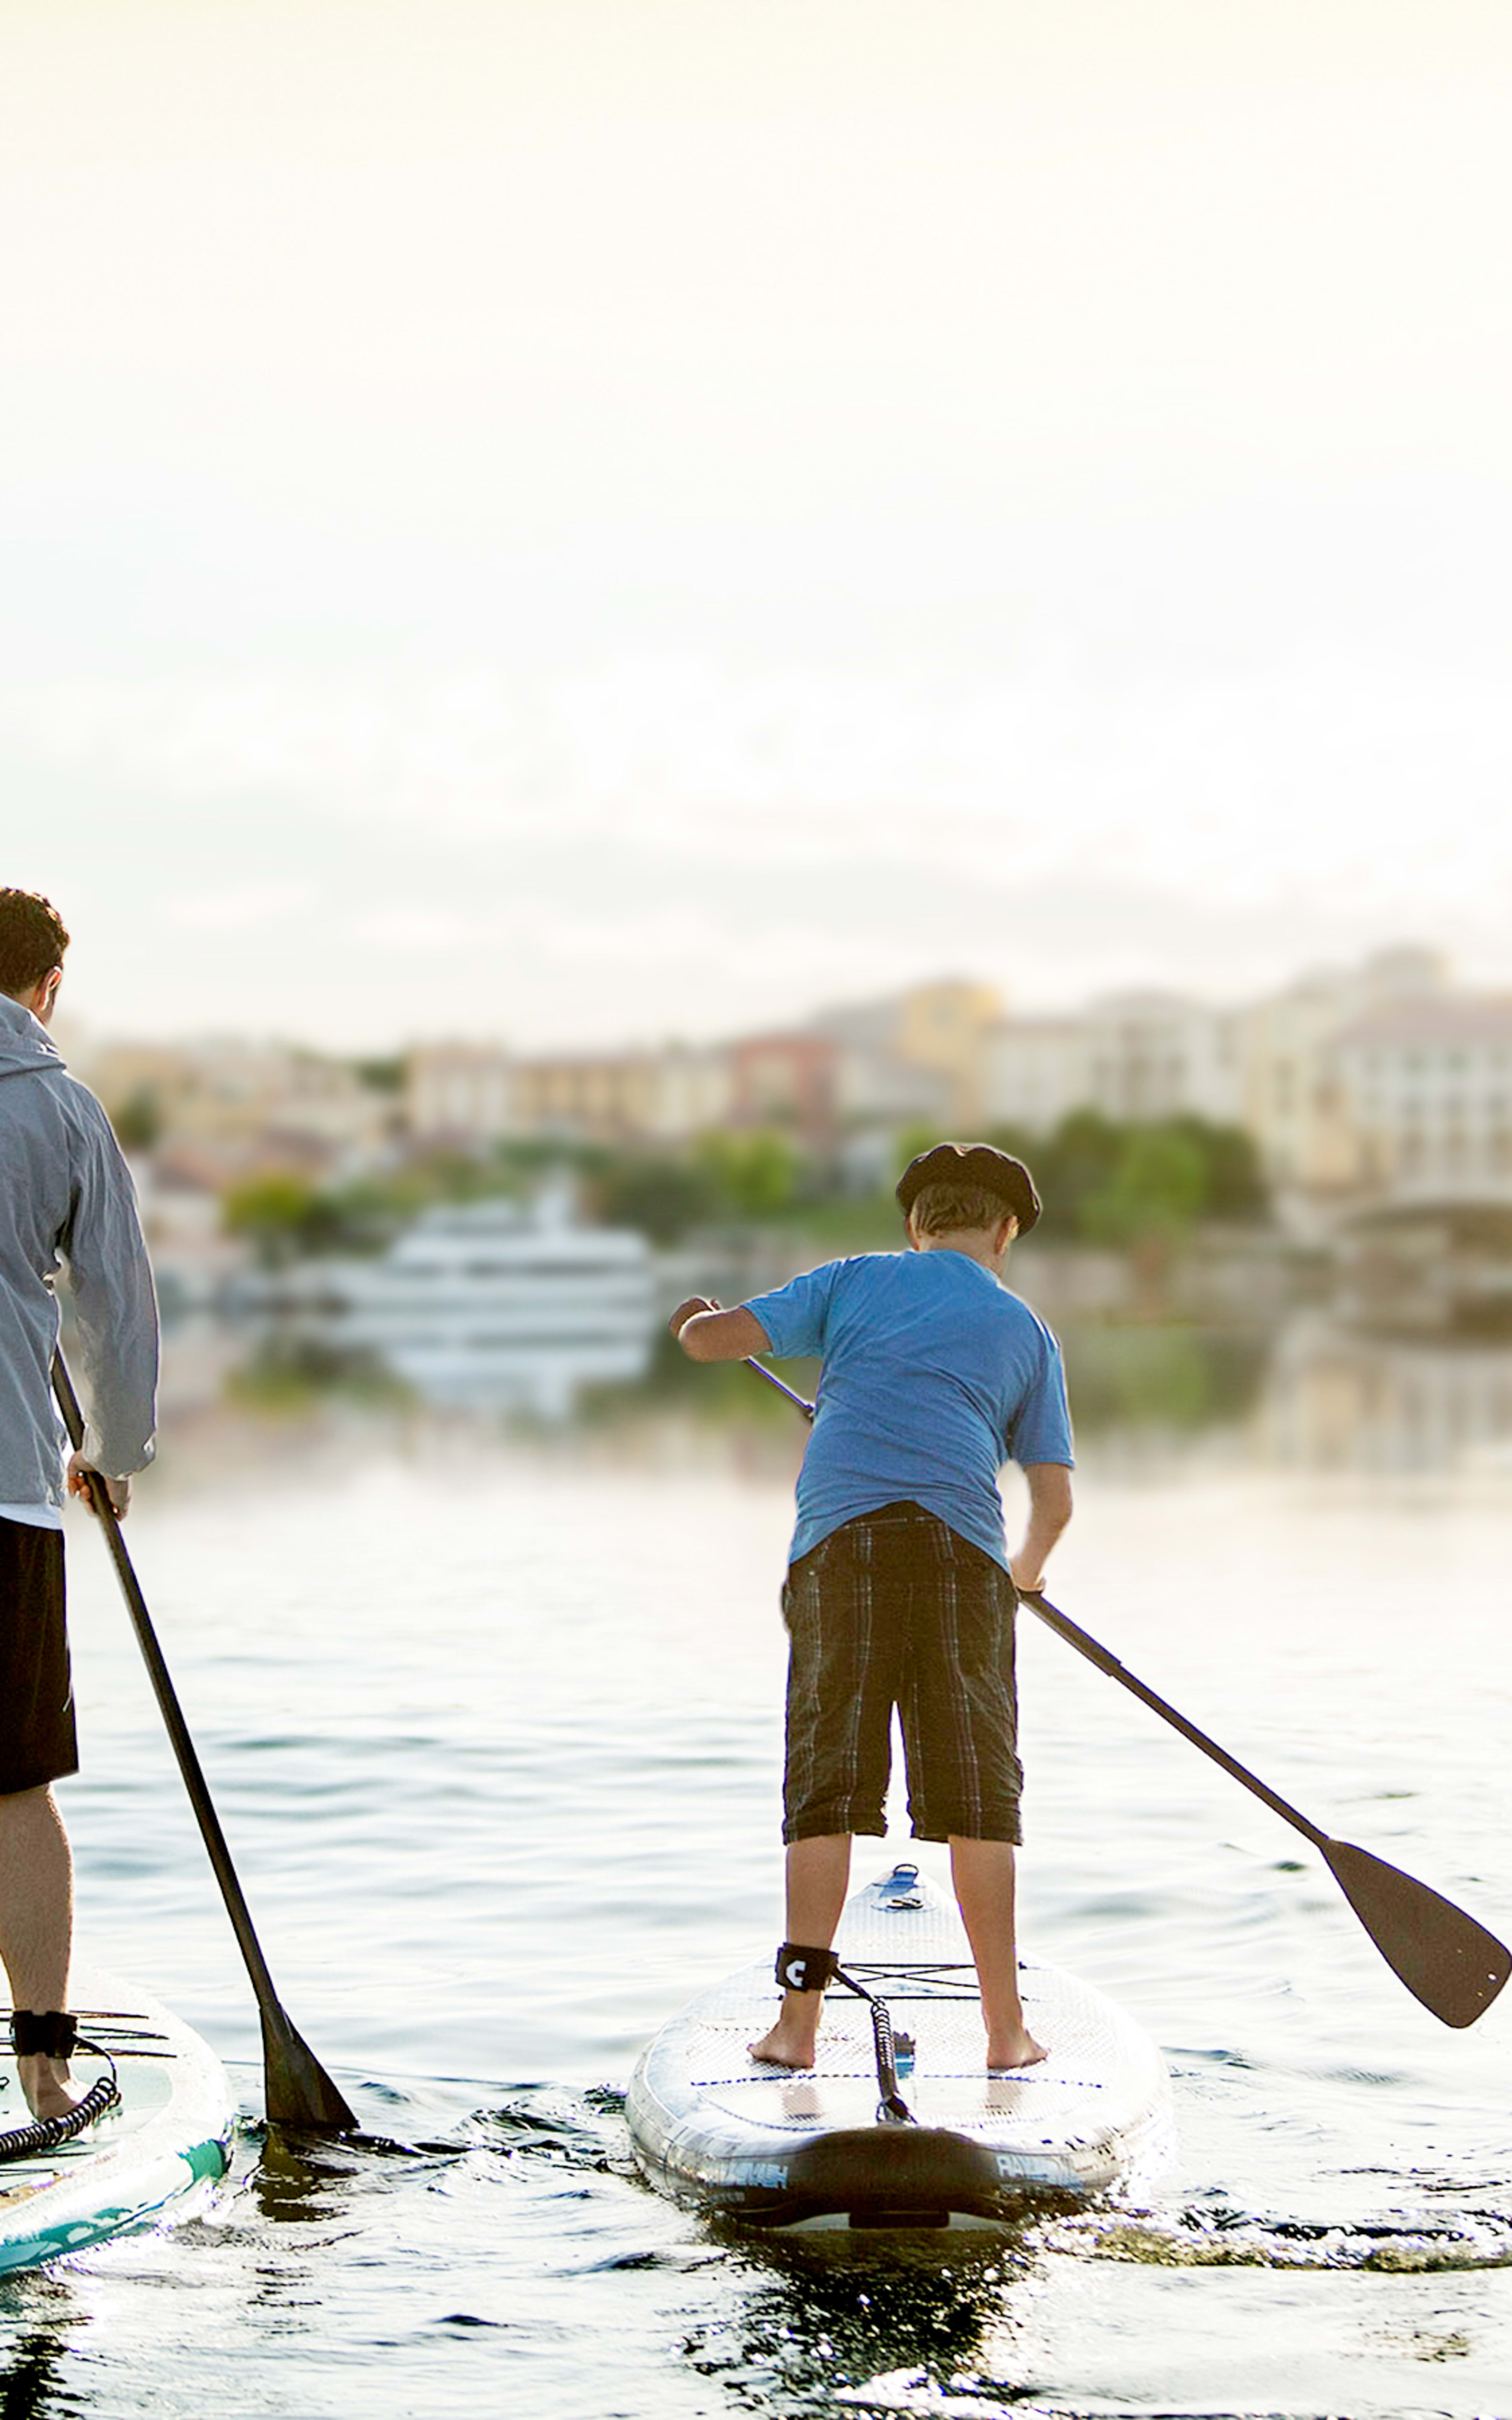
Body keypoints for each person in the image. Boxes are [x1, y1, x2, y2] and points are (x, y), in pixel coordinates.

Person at [669, 1140, 1074, 2073]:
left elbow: (709, 1342)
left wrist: (697, 1318)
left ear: (916, 1224)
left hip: (841, 1554)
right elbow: (1053, 1505)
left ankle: (797, 2032)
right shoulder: (1028, 1333)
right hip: (962, 1563)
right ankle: (1007, 2035)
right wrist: (1024, 1577)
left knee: (825, 1789)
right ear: (1004, 1233)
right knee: (980, 1799)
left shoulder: (854, 1282)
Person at [0, 889, 158, 2121]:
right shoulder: (59, 1109)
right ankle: (45, 2073)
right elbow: (110, 1301)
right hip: (3, 1487)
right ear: (47, 987)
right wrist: (113, 1449)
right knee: (14, 1784)